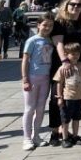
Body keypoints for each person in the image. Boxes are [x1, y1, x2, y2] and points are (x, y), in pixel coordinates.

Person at [48, 0, 81, 146]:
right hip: (62, 65)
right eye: (72, 4)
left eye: (80, 5)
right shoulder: (60, 23)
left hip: (78, 65)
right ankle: (55, 132)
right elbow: (58, 43)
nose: (76, 7)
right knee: (57, 98)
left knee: (73, 100)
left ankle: (68, 132)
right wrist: (64, 62)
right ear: (66, 6)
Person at [21, 13, 54, 150]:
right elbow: (25, 60)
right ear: (38, 25)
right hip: (33, 78)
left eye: (50, 25)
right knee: (29, 109)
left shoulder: (50, 41)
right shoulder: (32, 41)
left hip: (45, 79)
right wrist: (25, 79)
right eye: (45, 25)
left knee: (40, 109)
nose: (47, 28)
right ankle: (26, 138)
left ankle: (36, 136)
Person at [53, 42, 81, 148]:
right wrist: (60, 98)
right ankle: (65, 138)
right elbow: (59, 83)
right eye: (72, 54)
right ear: (66, 54)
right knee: (65, 119)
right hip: (67, 98)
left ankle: (75, 136)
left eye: (77, 54)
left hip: (79, 97)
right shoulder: (63, 68)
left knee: (77, 118)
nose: (75, 56)